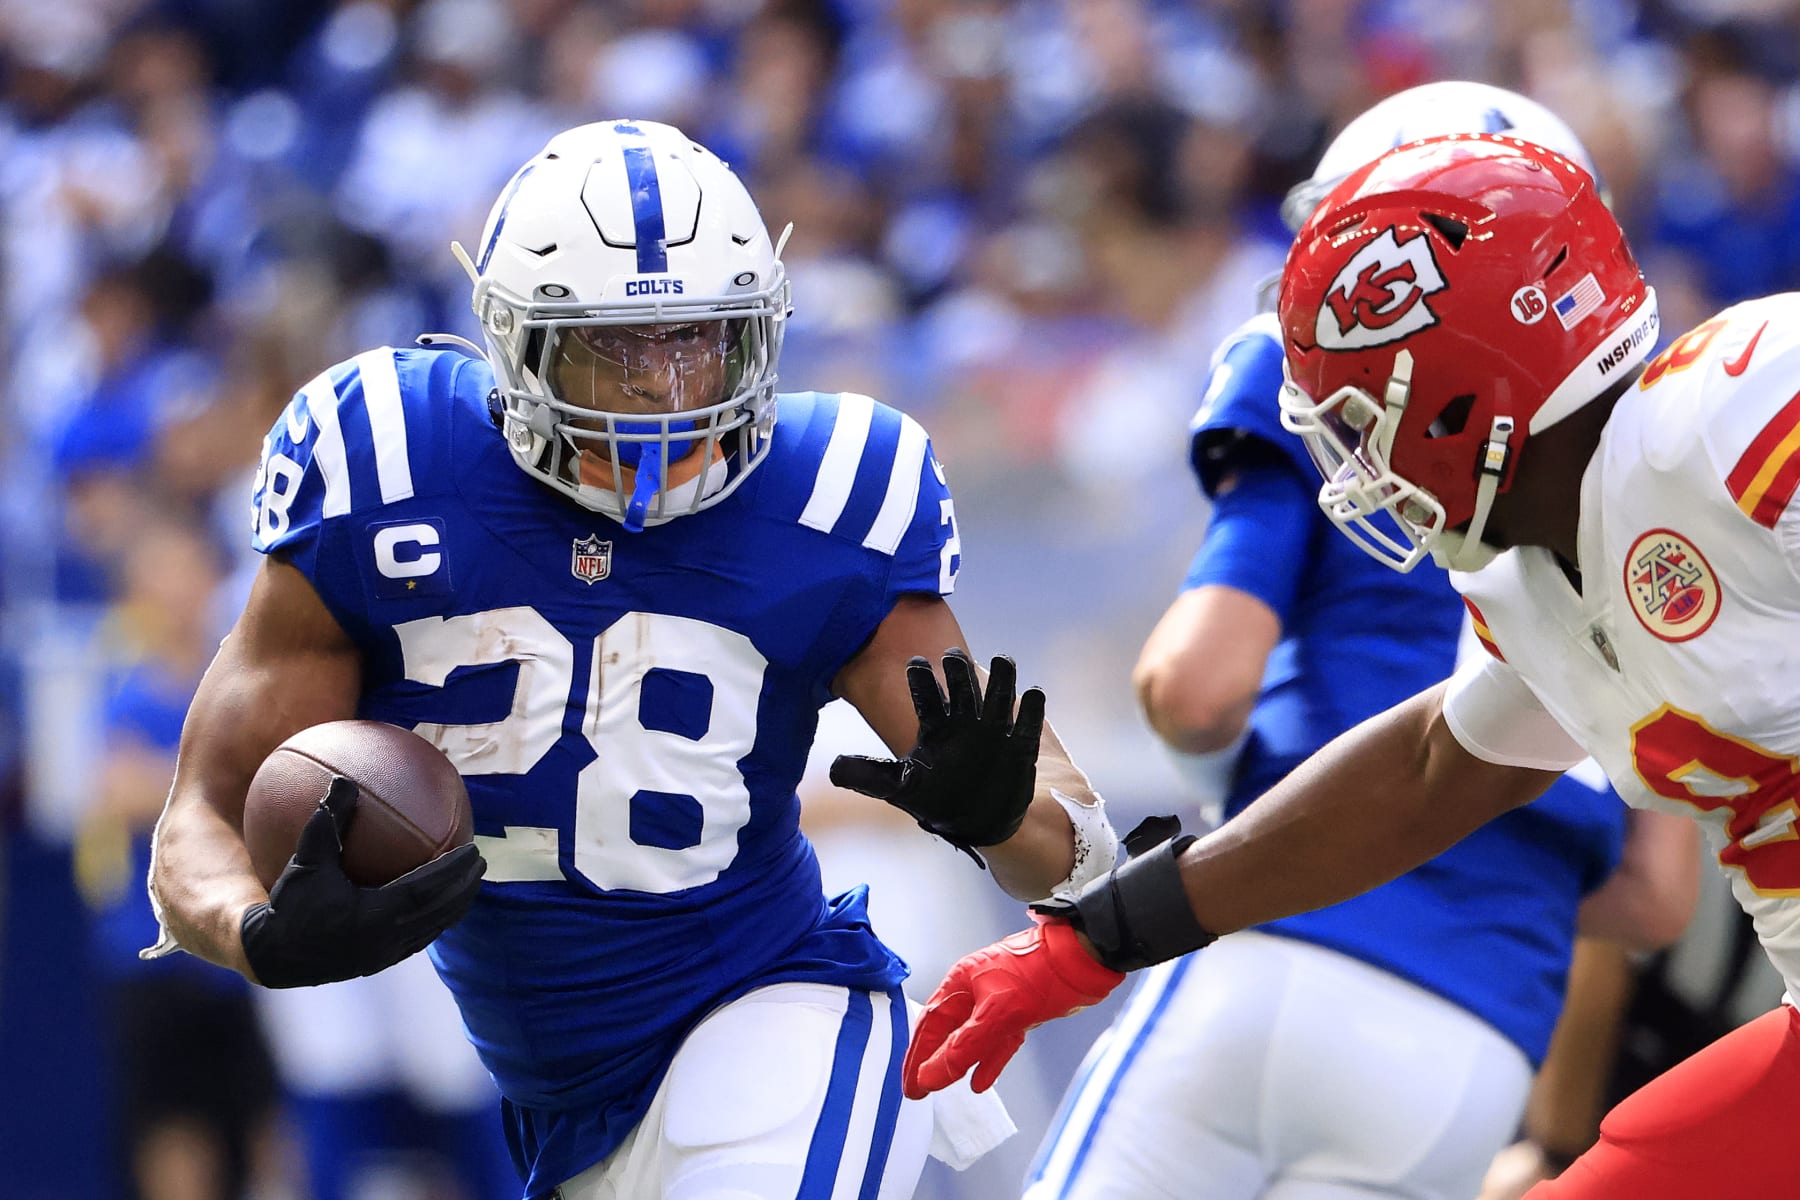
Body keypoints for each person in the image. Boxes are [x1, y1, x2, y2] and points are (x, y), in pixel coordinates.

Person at [144, 119, 1121, 1200]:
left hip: (777, 1011)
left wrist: (1000, 814)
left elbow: (1080, 855)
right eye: (616, 345)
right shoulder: (387, 463)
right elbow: (202, 815)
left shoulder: (834, 489)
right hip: (562, 1105)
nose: (668, 387)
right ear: (518, 342)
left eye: (700, 337)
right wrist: (258, 933)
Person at [898, 131, 1800, 1196]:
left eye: (1364, 416)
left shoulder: (1729, 419)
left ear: (1468, 391)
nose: (1356, 462)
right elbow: (1422, 775)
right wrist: (1097, 939)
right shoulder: (1540, 588)